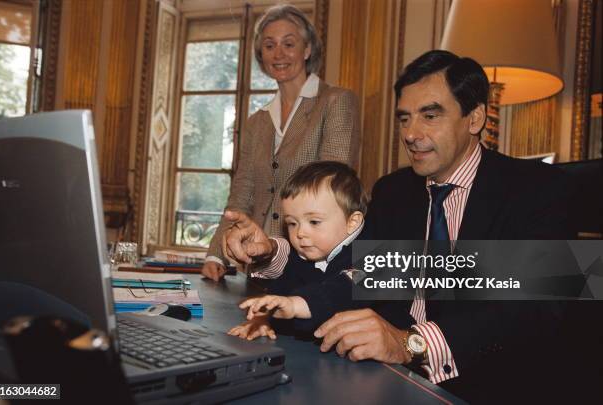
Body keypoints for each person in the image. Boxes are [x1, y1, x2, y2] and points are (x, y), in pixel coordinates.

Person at [221, 50, 590, 403]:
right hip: (383, 380)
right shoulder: (393, 190)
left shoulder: (540, 188)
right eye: (404, 118)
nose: (411, 133)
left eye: (430, 116)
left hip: (493, 385)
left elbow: (538, 309)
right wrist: (271, 251)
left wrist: (411, 343)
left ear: (474, 118)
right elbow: (352, 271)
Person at [202, 4, 361, 282]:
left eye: (289, 43)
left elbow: (331, 192)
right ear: (260, 56)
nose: (279, 54)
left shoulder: (336, 102)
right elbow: (241, 195)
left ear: (307, 49)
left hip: (313, 269)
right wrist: (216, 253)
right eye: (269, 45)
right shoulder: (257, 122)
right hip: (259, 268)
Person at [227, 161, 368, 341]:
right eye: (292, 223)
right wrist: (264, 317)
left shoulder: (373, 256)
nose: (300, 233)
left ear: (352, 222)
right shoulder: (301, 256)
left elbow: (345, 288)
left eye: (314, 222)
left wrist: (295, 305)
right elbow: (280, 292)